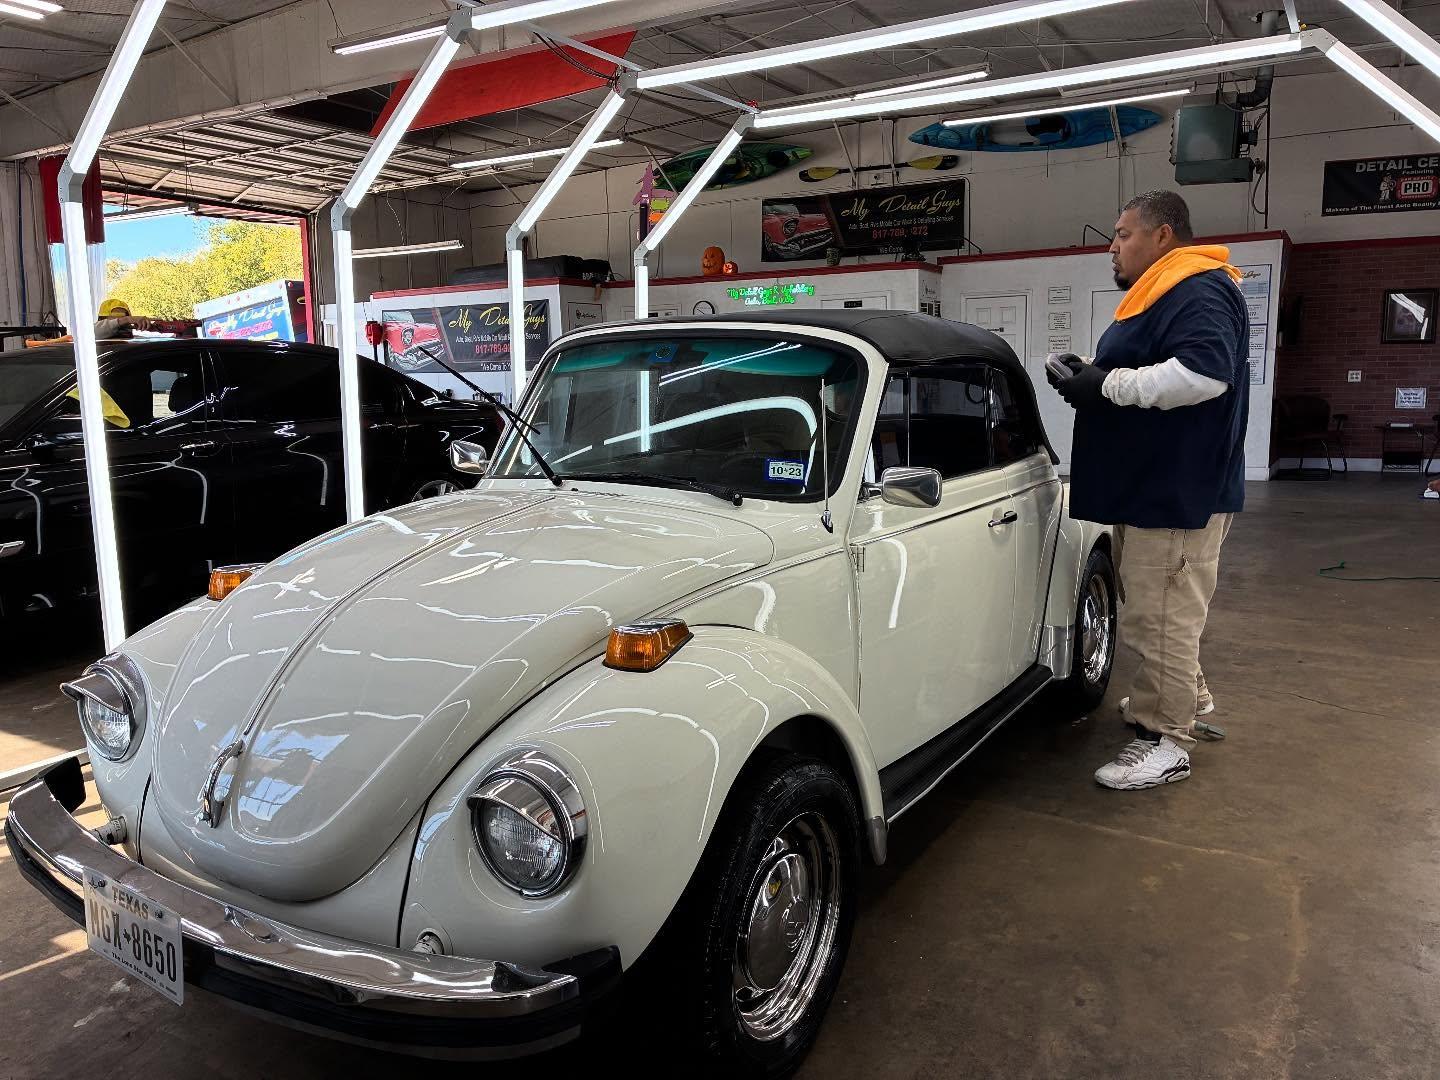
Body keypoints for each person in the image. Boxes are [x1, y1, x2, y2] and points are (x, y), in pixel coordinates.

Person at [1047, 190, 1248, 791]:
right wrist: (1090, 371)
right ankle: (1191, 698)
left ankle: (1166, 740)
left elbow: (1203, 374)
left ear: (1163, 235)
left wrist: (1104, 386)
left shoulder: (1197, 285)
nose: (1113, 247)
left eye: (1123, 235)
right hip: (1155, 488)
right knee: (1162, 611)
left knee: (1162, 618)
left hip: (1175, 494)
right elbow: (1154, 365)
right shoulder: (1168, 289)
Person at [94, 298, 199, 339]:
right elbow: (92, 332)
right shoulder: (94, 342)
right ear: (102, 320)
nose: (122, 323)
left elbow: (162, 347)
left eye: (125, 317)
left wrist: (179, 334)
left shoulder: (135, 342)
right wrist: (126, 320)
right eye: (117, 320)